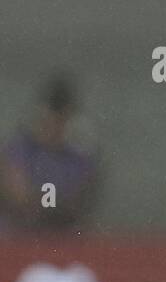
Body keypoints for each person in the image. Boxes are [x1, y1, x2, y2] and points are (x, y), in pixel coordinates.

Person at [0, 74, 99, 232]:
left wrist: (48, 204)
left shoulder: (79, 158)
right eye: (50, 118)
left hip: (61, 235)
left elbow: (77, 202)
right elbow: (19, 197)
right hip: (17, 237)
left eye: (61, 120)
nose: (55, 126)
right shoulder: (20, 150)